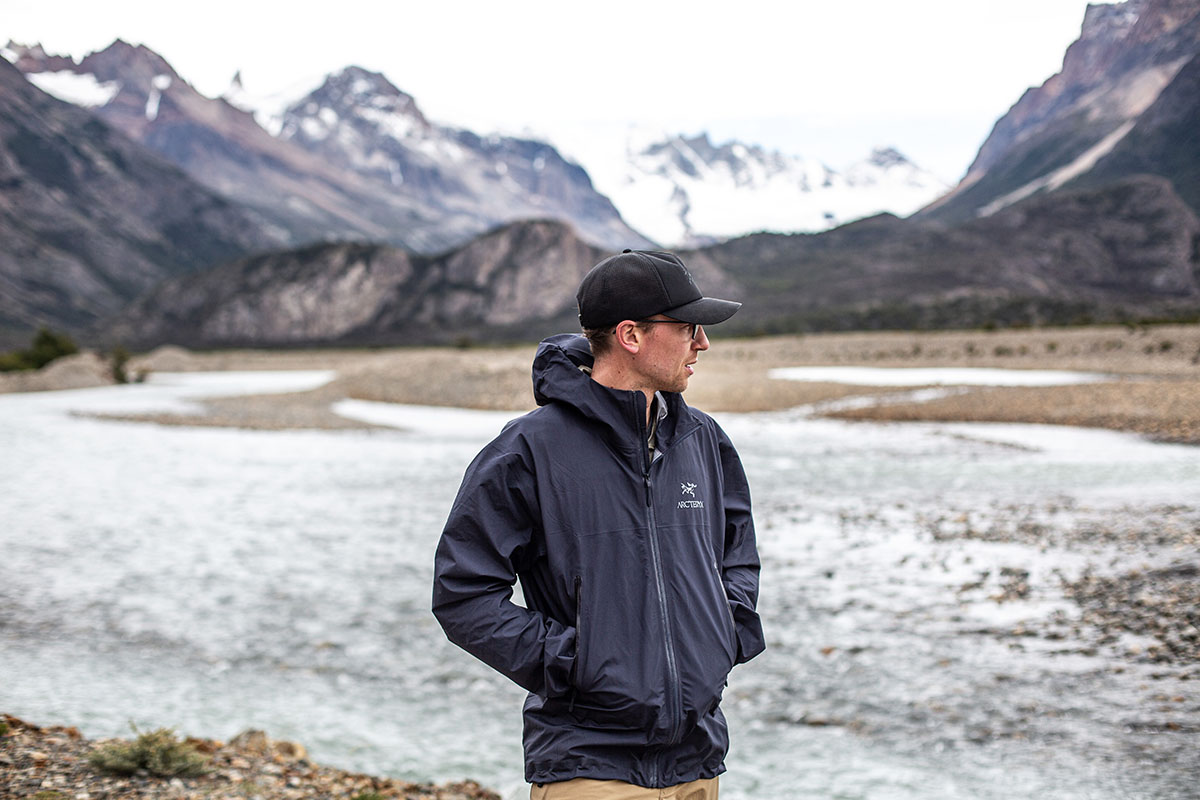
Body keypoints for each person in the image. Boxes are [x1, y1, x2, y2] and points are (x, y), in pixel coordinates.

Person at [432, 249, 765, 799]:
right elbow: (462, 593)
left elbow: (737, 556)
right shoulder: (528, 449)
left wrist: (721, 635)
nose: (702, 343)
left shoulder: (702, 440)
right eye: (687, 327)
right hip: (587, 765)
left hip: (698, 760)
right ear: (630, 335)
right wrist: (573, 663)